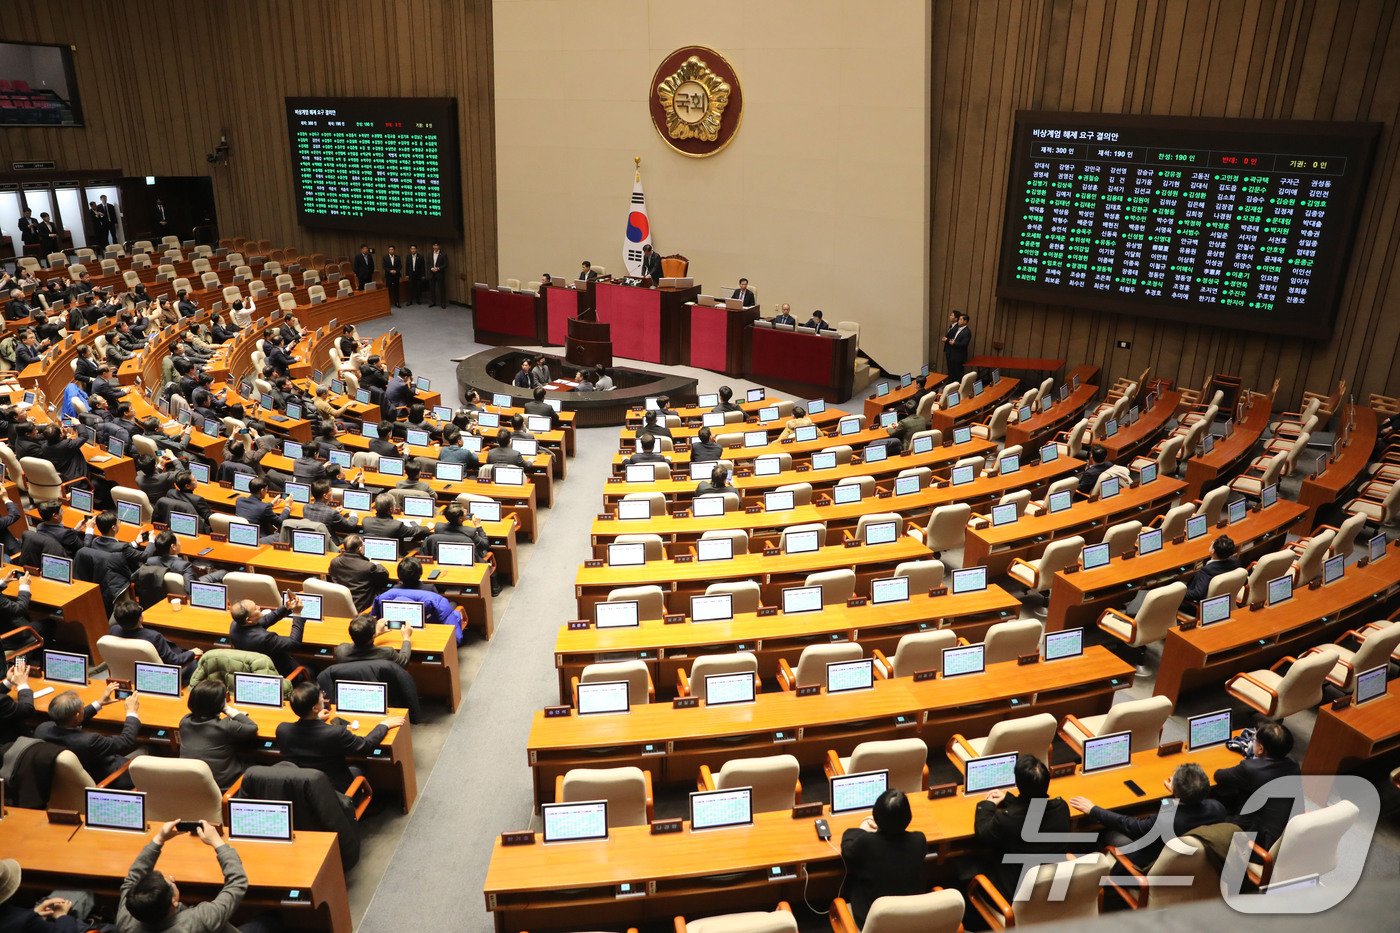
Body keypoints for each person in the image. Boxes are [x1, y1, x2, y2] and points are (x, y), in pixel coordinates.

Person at [1069, 762, 1227, 869]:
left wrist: (1093, 809)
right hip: (1193, 863)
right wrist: (1175, 795)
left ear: (1175, 789)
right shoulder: (1218, 808)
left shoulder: (1166, 820)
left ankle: (1107, 876)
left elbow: (1130, 826)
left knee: (1105, 831)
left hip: (1149, 861)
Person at [115, 819, 248, 932]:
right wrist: (217, 842)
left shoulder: (126, 919)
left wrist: (159, 838)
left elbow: (133, 878)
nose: (171, 879)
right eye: (170, 883)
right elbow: (237, 882)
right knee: (265, 921)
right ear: (173, 901)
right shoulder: (199, 920)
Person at [275, 682, 404, 793]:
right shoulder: (335, 733)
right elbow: (365, 747)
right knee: (359, 766)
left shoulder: (282, 730)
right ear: (315, 708)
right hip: (336, 792)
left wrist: (316, 718)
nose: (322, 696)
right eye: (321, 696)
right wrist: (384, 725)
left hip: (301, 788)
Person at [972, 754, 1071, 898]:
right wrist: (1008, 798)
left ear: (1018, 783)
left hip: (1017, 894)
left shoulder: (1007, 819)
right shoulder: (1061, 808)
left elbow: (982, 833)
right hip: (1052, 890)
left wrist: (988, 805)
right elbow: (1032, 807)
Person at [840, 789, 927, 927]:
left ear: (876, 815)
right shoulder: (919, 840)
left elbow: (847, 850)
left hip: (872, 920)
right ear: (908, 816)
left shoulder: (867, 842)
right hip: (911, 918)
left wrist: (862, 829)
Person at [1210, 720, 1300, 851]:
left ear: (1260, 749)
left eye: (1255, 740)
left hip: (1257, 840)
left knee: (1212, 808)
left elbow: (1218, 776)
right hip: (1282, 833)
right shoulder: (1293, 764)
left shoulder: (1251, 769)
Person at [36, 687, 142, 787]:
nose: (83, 706)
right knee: (148, 748)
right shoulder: (89, 741)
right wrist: (131, 712)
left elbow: (68, 718)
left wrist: (99, 703)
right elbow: (126, 740)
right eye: (82, 705)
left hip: (71, 780)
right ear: (77, 715)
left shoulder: (42, 729)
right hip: (111, 777)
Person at [177, 678, 257, 790]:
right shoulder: (225, 726)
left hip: (191, 784)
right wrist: (228, 710)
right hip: (224, 786)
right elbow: (252, 728)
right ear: (220, 704)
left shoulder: (184, 721)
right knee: (255, 760)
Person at [374, 557, 465, 644]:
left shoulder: (391, 591)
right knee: (453, 604)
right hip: (428, 628)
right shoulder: (429, 588)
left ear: (399, 576)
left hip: (396, 629)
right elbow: (440, 610)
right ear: (420, 573)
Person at [110, 598, 202, 680]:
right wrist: (192, 652)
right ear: (140, 618)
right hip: (161, 676)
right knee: (196, 662)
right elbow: (174, 661)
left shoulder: (114, 630)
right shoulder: (153, 637)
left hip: (130, 672)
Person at [0, 857, 87, 933]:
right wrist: (62, 916)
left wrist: (34, 912)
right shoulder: (26, 922)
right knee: (83, 892)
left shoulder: (19, 918)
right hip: (60, 927)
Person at [227, 595, 306, 676]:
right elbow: (294, 643)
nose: (259, 607)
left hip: (252, 668)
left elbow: (265, 620)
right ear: (249, 620)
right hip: (279, 672)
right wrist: (297, 614)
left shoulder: (235, 624)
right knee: (312, 667)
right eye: (255, 608)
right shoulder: (264, 638)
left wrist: (286, 607)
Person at [330, 534, 391, 612]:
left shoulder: (335, 562)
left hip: (341, 605)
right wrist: (377, 564)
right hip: (361, 607)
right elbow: (385, 576)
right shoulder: (368, 567)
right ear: (360, 548)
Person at [334, 612, 413, 667]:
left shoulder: (340, 651)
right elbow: (404, 661)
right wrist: (406, 637)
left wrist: (375, 634)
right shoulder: (387, 653)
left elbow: (359, 640)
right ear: (372, 636)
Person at [1185, 535, 1241, 604]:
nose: (1211, 542)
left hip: (1194, 605)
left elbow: (1198, 594)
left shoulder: (1207, 570)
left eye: (1212, 543)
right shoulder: (1235, 562)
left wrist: (1180, 593)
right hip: (1223, 598)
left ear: (1213, 551)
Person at [0, 658, 35, 745]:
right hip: (9, 745)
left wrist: (8, 682)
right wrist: (22, 684)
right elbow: (27, 710)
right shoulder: (2, 702)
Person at [944, 312, 971, 382]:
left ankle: (958, 388)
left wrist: (954, 343)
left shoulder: (967, 331)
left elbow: (964, 344)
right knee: (952, 372)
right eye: (959, 319)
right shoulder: (958, 329)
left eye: (960, 319)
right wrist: (949, 340)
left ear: (965, 321)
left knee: (958, 374)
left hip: (959, 356)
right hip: (953, 354)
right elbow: (954, 339)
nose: (958, 321)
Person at [427, 242, 448, 308]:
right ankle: (432, 302)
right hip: (432, 274)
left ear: (439, 246)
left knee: (441, 289)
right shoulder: (430, 254)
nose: (435, 247)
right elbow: (428, 263)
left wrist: (438, 268)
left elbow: (446, 264)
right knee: (432, 289)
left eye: (437, 245)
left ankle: (443, 303)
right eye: (434, 245)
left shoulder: (444, 254)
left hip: (440, 274)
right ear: (432, 246)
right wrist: (431, 268)